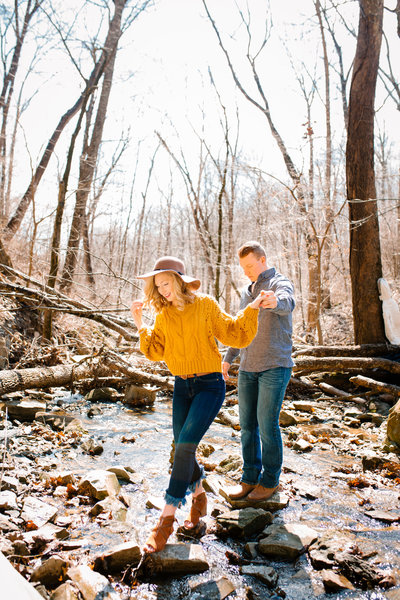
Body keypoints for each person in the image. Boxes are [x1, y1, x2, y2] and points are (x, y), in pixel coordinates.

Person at [131, 255, 269, 553]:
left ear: (180, 281)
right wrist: (140, 322)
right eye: (158, 285)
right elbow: (155, 351)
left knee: (183, 449)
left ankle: (165, 522)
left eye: (166, 283)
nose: (163, 290)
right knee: (181, 446)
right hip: (182, 386)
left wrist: (253, 308)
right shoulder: (164, 315)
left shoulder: (205, 305)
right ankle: (198, 496)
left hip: (209, 385)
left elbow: (233, 332)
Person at [222, 241, 295, 501]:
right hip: (248, 367)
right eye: (243, 267)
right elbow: (241, 326)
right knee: (247, 427)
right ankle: (249, 477)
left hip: (274, 366)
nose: (247, 271)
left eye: (250, 266)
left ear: (263, 260)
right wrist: (229, 356)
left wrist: (274, 302)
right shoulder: (246, 291)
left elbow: (287, 302)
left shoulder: (279, 283)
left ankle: (270, 480)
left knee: (267, 425)